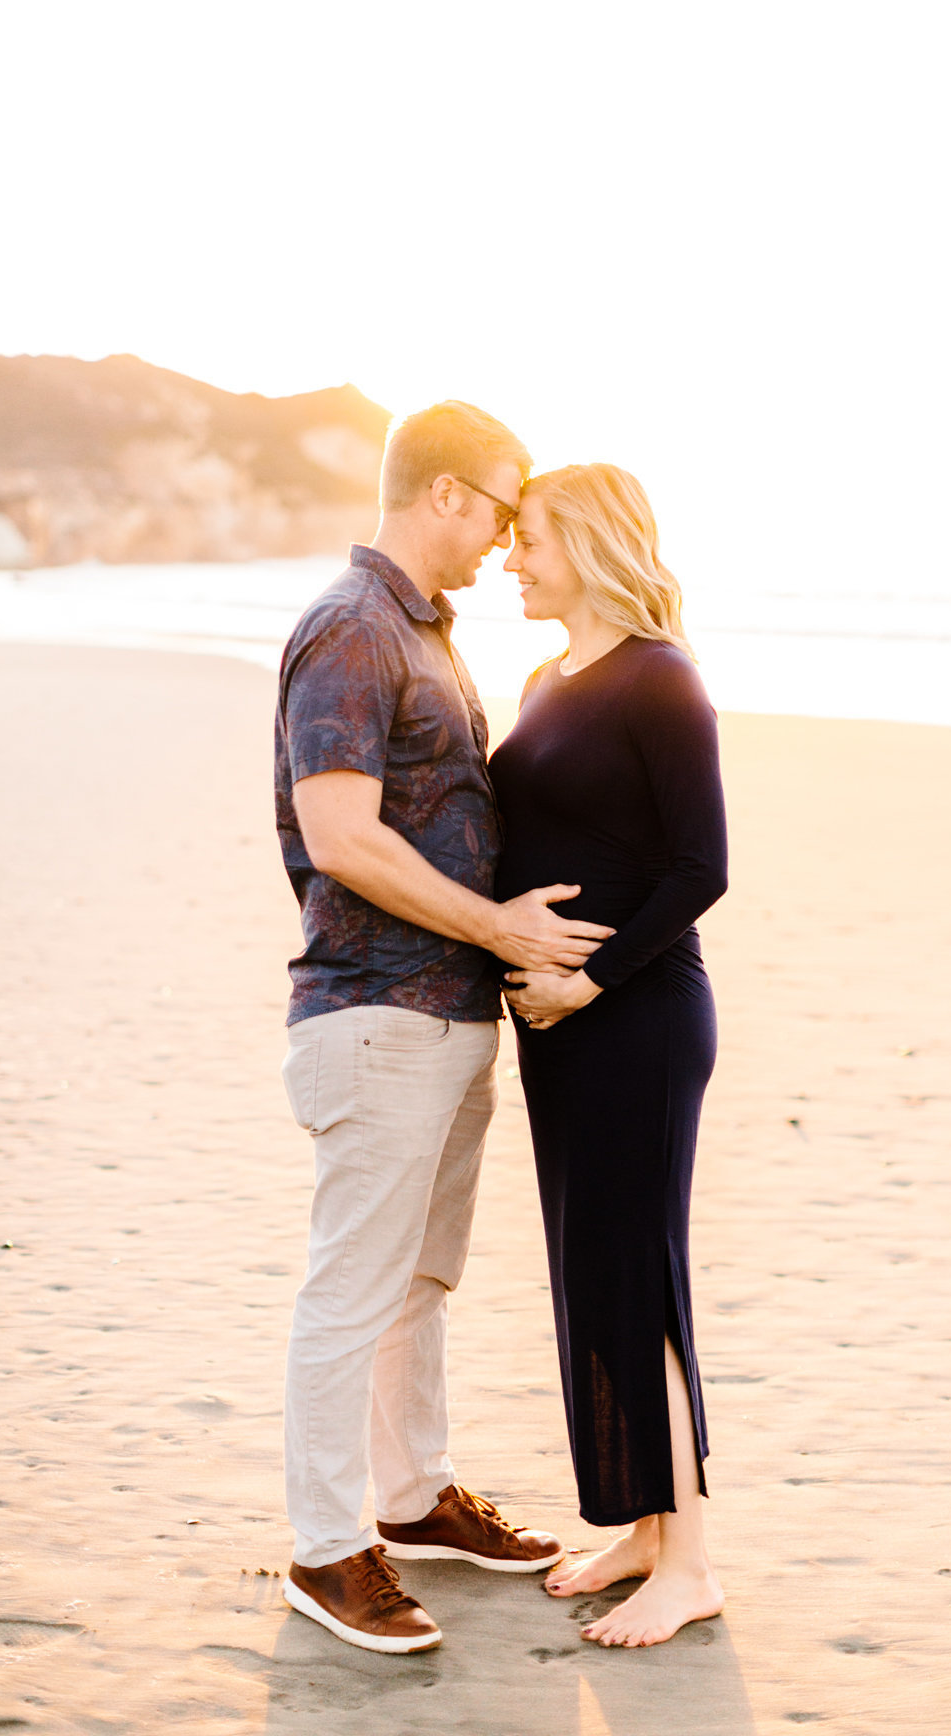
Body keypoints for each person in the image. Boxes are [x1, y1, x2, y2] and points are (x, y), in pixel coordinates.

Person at [273, 403, 616, 1655]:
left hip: (447, 1018)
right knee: (352, 1291)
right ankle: (326, 1551)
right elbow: (342, 835)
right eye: (505, 511)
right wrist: (500, 928)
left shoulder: (425, 635)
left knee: (419, 1281)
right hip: (374, 1015)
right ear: (447, 497)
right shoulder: (352, 630)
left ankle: (412, 1502)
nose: (509, 539)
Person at [488, 462, 729, 1648]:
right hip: (560, 1031)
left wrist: (585, 979)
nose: (510, 558)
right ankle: (641, 1524)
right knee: (588, 1272)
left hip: (636, 1021)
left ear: (585, 542)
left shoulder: (661, 680)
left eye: (529, 538)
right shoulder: (543, 678)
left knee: (638, 1272)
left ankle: (688, 1560)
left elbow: (702, 868)